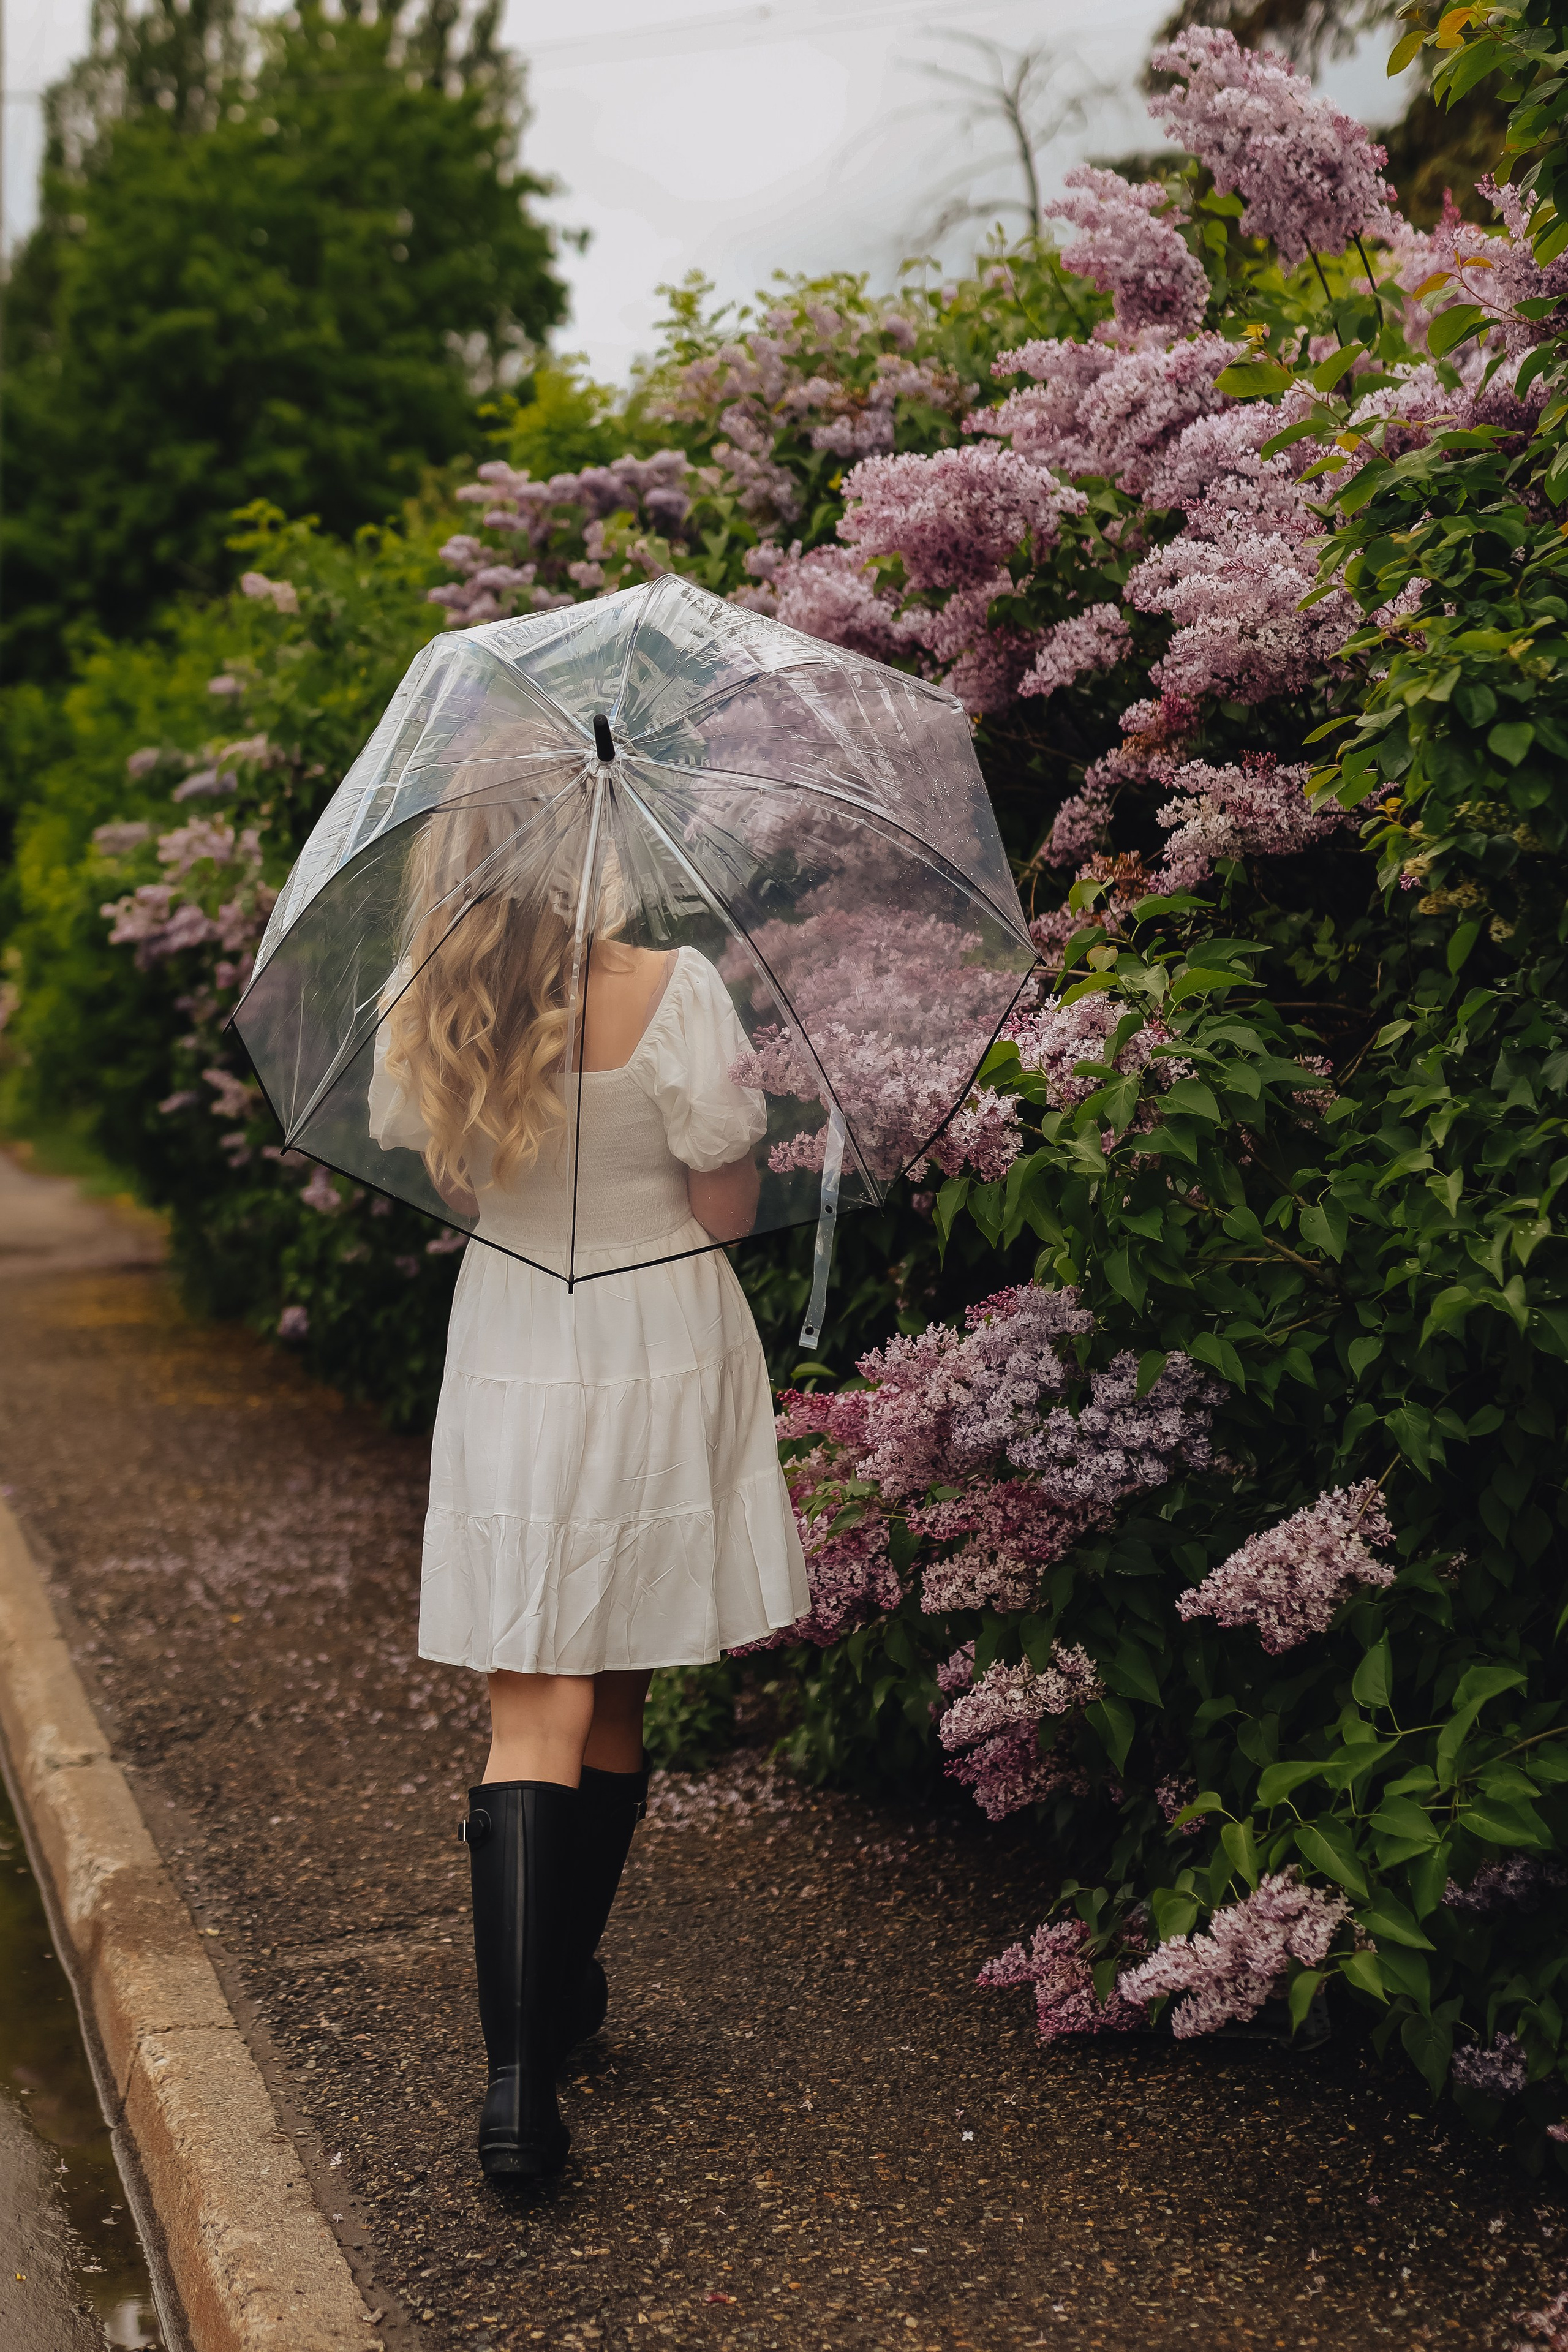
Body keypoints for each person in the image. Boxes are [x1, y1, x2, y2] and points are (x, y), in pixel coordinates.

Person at [366, 790, 809, 2180]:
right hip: (660, 1331)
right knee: (591, 1680)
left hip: (514, 1334)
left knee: (558, 1679)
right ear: (589, 845)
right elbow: (727, 1207)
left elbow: (442, 1174)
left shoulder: (430, 999)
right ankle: (528, 2059)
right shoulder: (677, 988)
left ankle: (539, 2036)